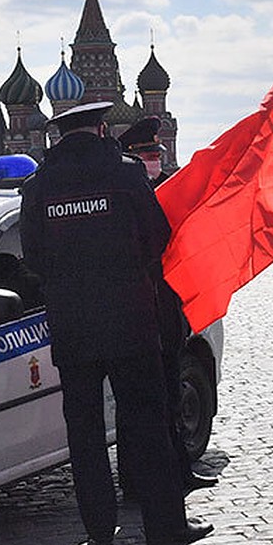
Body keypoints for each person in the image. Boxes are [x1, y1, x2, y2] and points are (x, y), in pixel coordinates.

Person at [19, 101, 212, 545]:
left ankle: (99, 531)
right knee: (147, 424)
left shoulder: (38, 187)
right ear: (103, 129)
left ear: (58, 137)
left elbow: (34, 259)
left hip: (73, 327)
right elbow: (157, 238)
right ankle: (164, 526)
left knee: (84, 434)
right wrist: (125, 271)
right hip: (131, 320)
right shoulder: (126, 175)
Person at [116, 116, 218, 496]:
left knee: (173, 395)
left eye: (155, 152)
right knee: (138, 404)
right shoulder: (130, 195)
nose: (154, 159)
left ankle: (179, 469)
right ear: (131, 155)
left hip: (171, 310)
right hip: (142, 313)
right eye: (146, 153)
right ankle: (134, 481)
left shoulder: (163, 189)